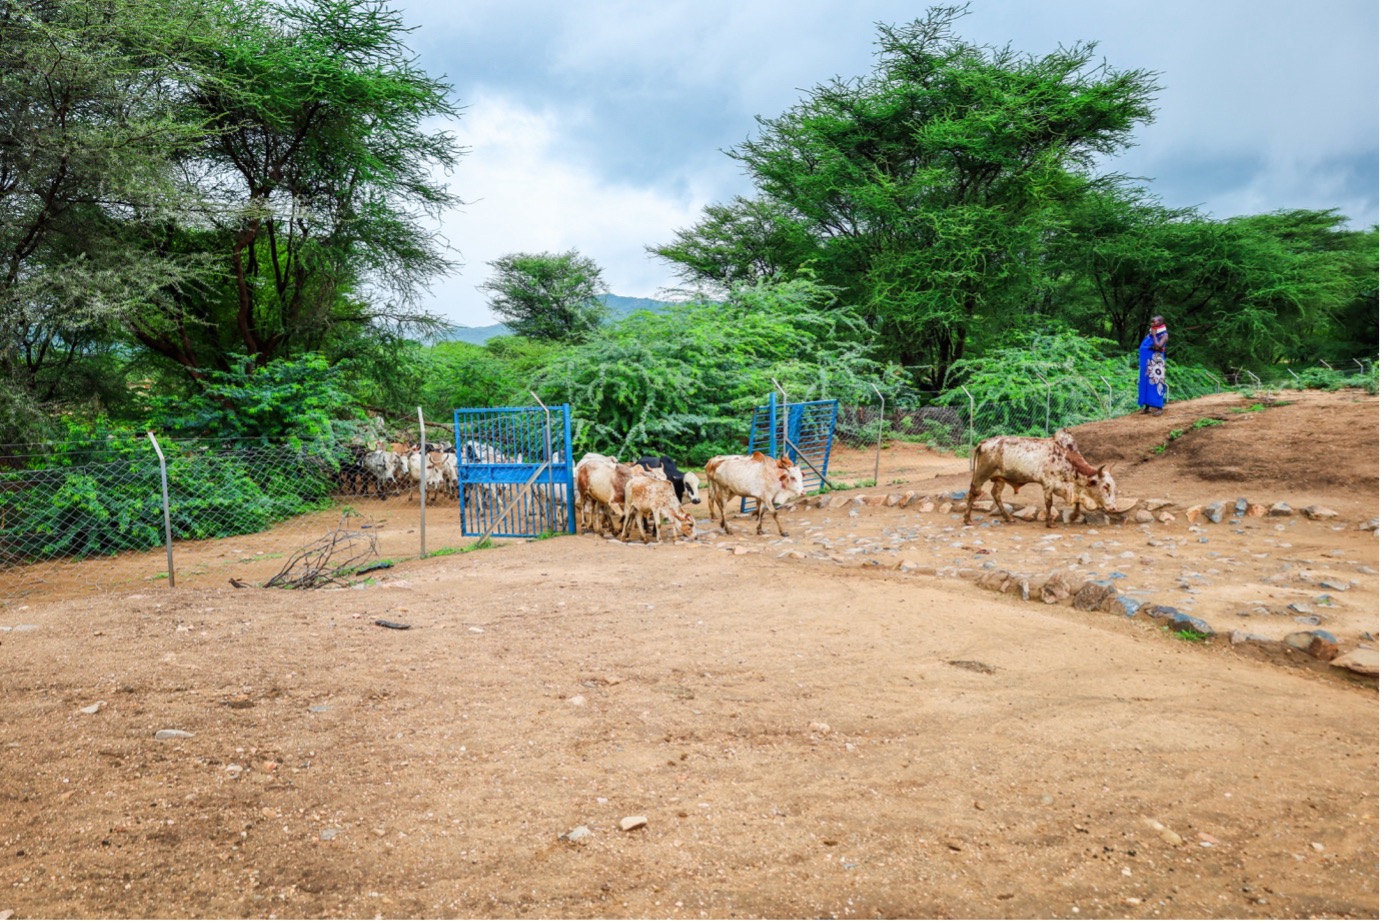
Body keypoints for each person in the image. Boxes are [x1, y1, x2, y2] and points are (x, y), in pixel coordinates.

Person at [1138, 315, 1169, 416]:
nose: (1152, 323)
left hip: (1156, 364)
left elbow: (1158, 346)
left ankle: (1159, 407)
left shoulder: (1164, 335)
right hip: (1147, 363)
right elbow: (1145, 347)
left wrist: (1155, 335)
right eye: (1151, 322)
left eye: (1154, 322)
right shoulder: (1149, 334)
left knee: (1156, 382)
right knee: (1146, 382)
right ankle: (1147, 406)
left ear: (1160, 322)